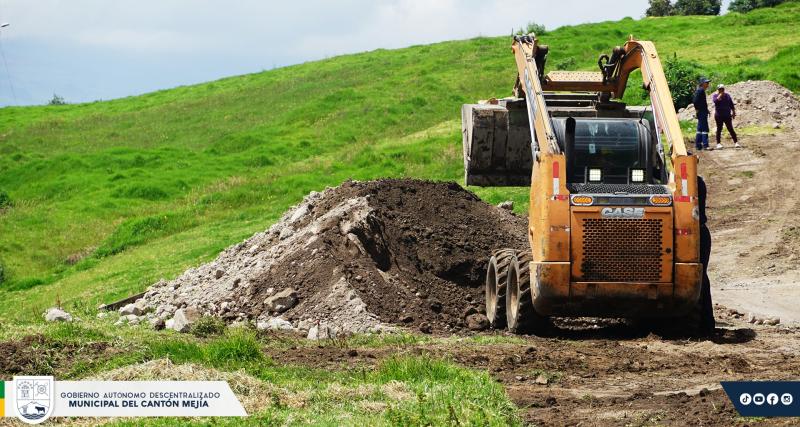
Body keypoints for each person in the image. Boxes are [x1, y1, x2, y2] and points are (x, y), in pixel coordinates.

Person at [697, 176, 715, 336]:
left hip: (697, 233)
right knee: (702, 277)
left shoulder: (693, 182)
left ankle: (706, 323)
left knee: (700, 276)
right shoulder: (698, 181)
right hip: (699, 232)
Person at [712, 84, 740, 149]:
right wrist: (720, 95)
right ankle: (718, 143)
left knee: (730, 128)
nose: (721, 90)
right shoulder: (715, 95)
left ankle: (736, 142)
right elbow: (715, 101)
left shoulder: (727, 96)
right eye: (720, 89)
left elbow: (731, 104)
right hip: (719, 116)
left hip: (727, 115)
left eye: (722, 89)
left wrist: (733, 112)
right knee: (719, 129)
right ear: (718, 90)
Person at [693, 77, 711, 151]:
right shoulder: (700, 91)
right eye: (706, 83)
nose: (708, 84)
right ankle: (705, 145)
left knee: (700, 129)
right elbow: (695, 101)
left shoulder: (700, 90)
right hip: (701, 112)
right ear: (702, 83)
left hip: (702, 111)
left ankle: (698, 145)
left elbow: (702, 103)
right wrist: (697, 109)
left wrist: (707, 110)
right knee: (705, 129)